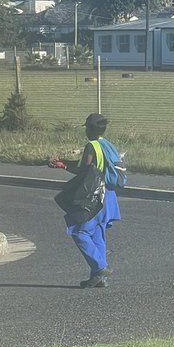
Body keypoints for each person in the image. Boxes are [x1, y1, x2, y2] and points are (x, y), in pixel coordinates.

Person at [48, 113, 122, 289]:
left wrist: (63, 166)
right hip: (109, 195)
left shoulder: (92, 146)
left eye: (87, 128)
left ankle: (100, 268)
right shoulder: (108, 145)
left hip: (95, 196)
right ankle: (100, 279)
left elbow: (83, 169)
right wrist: (65, 162)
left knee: (79, 232)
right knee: (98, 234)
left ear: (90, 129)